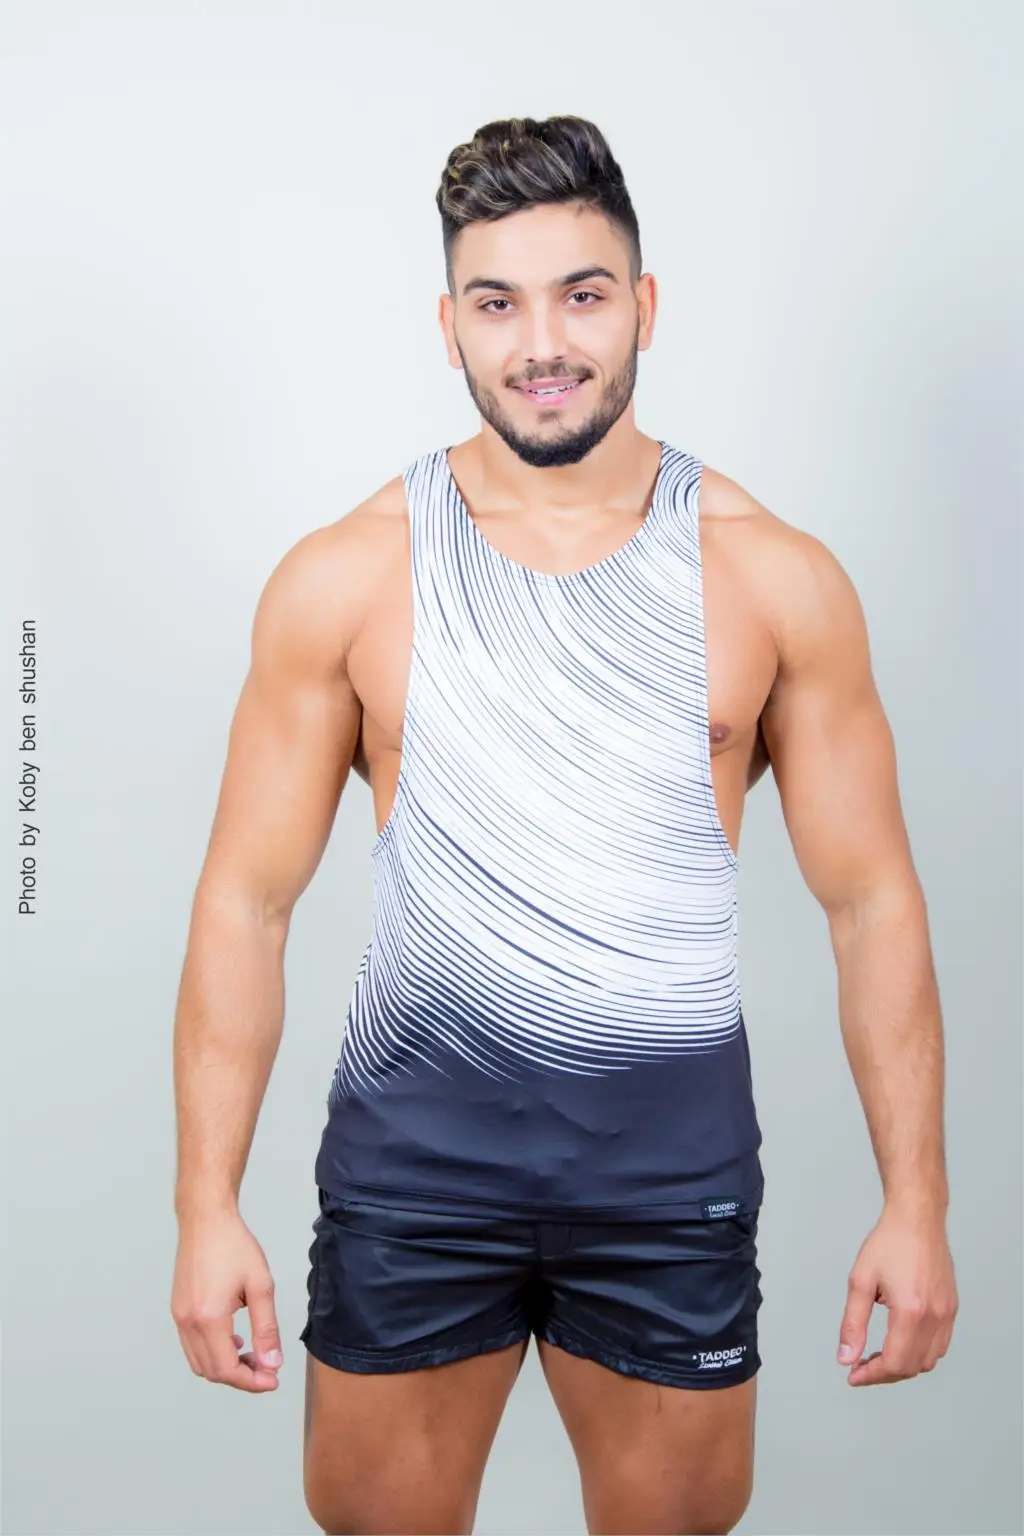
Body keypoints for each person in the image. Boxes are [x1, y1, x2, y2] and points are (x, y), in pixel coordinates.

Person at [171, 114, 959, 1535]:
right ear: (450, 327)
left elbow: (871, 903)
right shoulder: (349, 576)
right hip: (416, 1177)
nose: (542, 343)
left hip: (667, 1182)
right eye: (498, 303)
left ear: (644, 305)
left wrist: (919, 1203)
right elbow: (247, 900)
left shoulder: (772, 578)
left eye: (582, 295)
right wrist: (205, 1207)